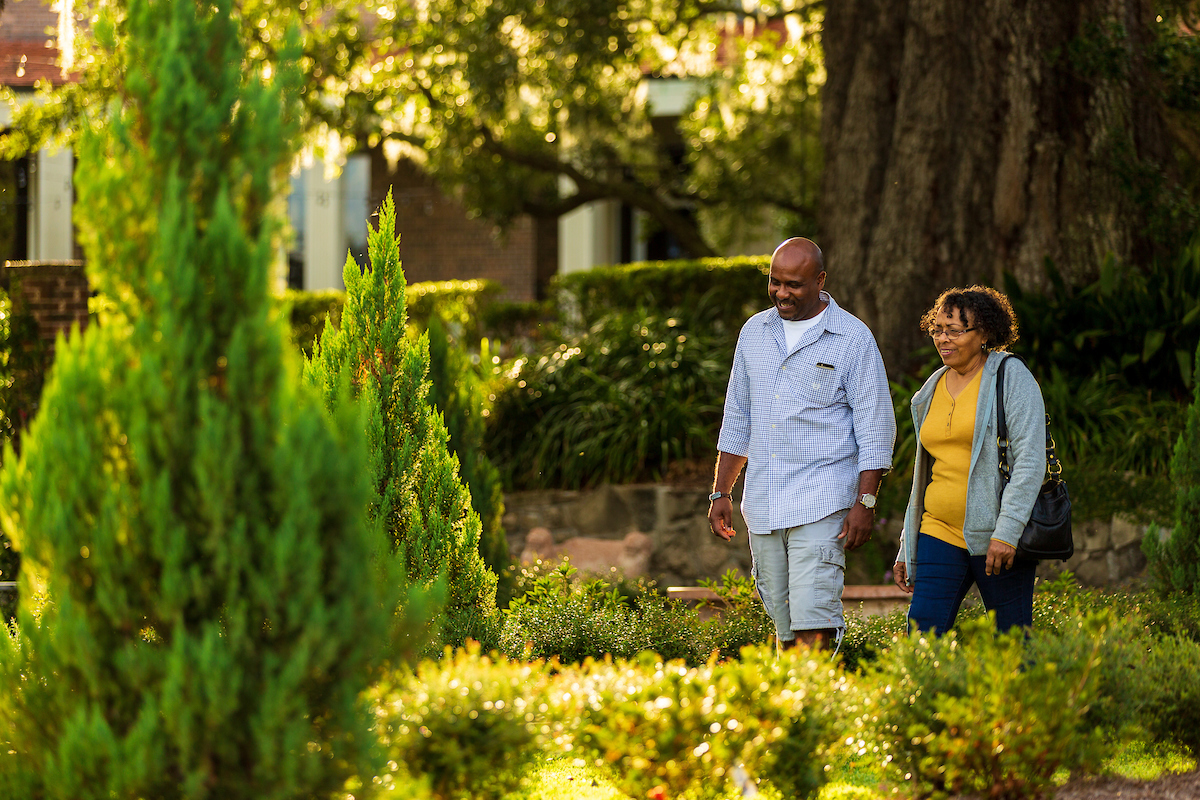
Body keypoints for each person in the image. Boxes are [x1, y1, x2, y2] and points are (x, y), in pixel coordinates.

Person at [708, 237, 895, 650]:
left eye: (793, 284)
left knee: (815, 621)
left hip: (822, 501)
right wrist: (721, 490)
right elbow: (738, 416)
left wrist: (865, 503)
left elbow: (876, 428)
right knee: (784, 627)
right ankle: (796, 708)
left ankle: (813, 700)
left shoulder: (852, 338)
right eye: (775, 282)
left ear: (820, 280)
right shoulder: (754, 332)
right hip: (764, 502)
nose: (781, 293)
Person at [892, 286, 1045, 634]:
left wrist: (1006, 533)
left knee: (1012, 643)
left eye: (956, 331)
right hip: (937, 531)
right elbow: (924, 476)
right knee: (922, 639)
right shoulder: (931, 388)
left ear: (985, 333)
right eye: (938, 329)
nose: (944, 339)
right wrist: (908, 543)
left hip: (995, 537)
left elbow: (1030, 461)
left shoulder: (1010, 377)